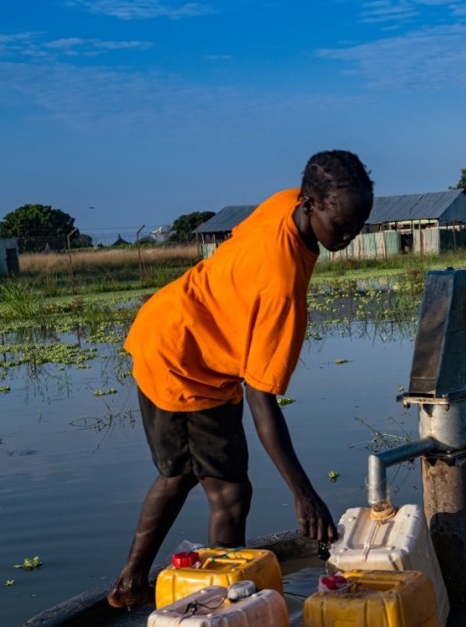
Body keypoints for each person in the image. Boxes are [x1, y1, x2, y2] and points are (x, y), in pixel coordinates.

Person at [107, 150, 374, 608]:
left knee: (186, 475)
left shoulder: (286, 203)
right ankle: (219, 607)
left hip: (189, 338)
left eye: (357, 227)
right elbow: (261, 398)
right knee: (224, 491)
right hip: (182, 356)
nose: (347, 237)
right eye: (340, 225)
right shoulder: (283, 286)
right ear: (310, 204)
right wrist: (304, 494)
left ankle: (135, 585)